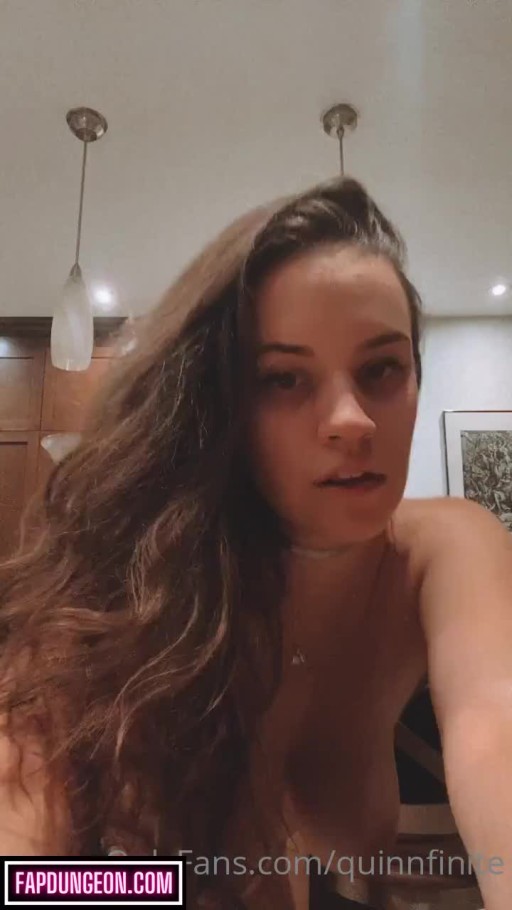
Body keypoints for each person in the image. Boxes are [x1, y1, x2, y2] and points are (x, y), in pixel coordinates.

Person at [0, 175, 511, 910]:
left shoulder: (443, 549)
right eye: (284, 379)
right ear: (218, 406)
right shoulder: (119, 587)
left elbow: (498, 730)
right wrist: (159, 888)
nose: (352, 419)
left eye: (381, 369)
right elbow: (23, 873)